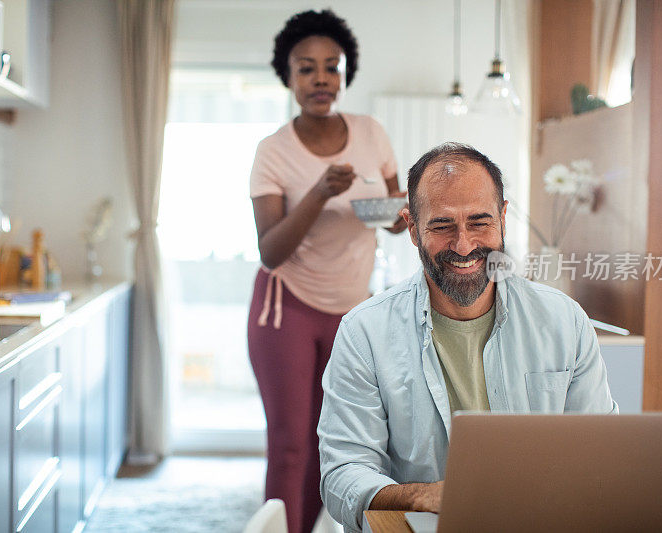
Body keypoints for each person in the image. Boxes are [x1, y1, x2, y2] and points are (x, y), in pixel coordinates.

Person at [317, 143, 617, 532]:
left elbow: (600, 453)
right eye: (442, 226)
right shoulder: (365, 332)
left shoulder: (563, 320)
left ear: (503, 218)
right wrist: (419, 495)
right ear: (411, 228)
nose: (463, 245)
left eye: (480, 223)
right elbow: (344, 472)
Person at [247, 9, 406, 533]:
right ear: (288, 76)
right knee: (291, 442)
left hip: (353, 311)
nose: (321, 79)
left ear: (344, 74)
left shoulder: (371, 133)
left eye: (331, 67)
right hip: (285, 307)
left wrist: (404, 214)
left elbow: (394, 215)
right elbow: (271, 250)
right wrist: (319, 192)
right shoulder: (272, 152)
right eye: (307, 68)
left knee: (334, 441)